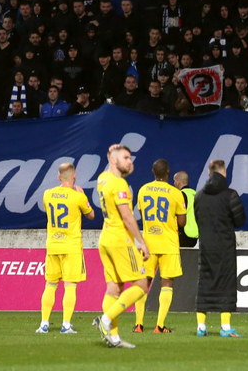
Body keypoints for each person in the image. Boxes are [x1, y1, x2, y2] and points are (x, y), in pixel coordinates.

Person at [94, 144, 150, 349]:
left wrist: (112, 153)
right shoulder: (119, 185)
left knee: (114, 288)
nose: (131, 161)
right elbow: (127, 216)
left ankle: (113, 337)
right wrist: (141, 242)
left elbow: (109, 164)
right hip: (120, 240)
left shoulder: (102, 178)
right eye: (126, 157)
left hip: (106, 238)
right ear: (114, 161)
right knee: (141, 285)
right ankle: (105, 320)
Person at [36, 163, 95, 334]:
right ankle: (66, 325)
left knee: (50, 285)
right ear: (74, 176)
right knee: (70, 286)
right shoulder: (78, 197)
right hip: (72, 246)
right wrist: (83, 196)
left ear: (58, 177)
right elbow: (91, 215)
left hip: (53, 245)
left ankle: (44, 324)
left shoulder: (48, 194)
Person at [132, 159, 186, 334]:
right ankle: (159, 326)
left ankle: (139, 324)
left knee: (143, 283)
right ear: (169, 173)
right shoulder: (176, 193)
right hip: (168, 243)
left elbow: (142, 215)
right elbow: (182, 222)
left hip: (148, 244)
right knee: (167, 283)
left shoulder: (143, 190)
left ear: (152, 172)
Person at [194, 160, 246, 337]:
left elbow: (197, 218)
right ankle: (225, 327)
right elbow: (240, 220)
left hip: (206, 246)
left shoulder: (199, 196)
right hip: (225, 247)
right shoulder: (231, 195)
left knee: (205, 284)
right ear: (224, 173)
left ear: (209, 174)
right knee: (226, 285)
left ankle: (201, 327)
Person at [174, 171, 199, 248]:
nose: (174, 183)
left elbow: (178, 215)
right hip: (195, 235)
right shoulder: (196, 193)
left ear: (178, 182)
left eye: (174, 181)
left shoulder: (180, 195)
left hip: (183, 234)